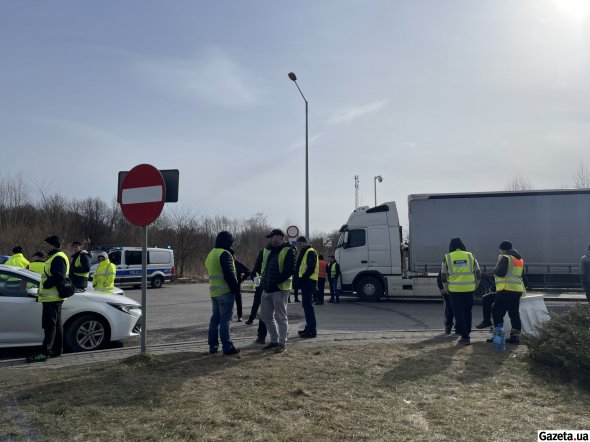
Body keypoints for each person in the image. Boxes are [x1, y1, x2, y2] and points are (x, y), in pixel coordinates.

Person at [25, 235, 69, 363]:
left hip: (52, 298)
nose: (43, 247)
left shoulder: (57, 257)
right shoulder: (56, 256)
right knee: (57, 324)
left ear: (52, 245)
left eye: (45, 244)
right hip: (54, 297)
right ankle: (57, 349)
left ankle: (44, 353)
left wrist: (46, 284)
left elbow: (59, 276)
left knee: (49, 326)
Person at [259, 228, 296, 353]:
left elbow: (290, 270)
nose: (270, 239)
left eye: (272, 236)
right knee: (265, 316)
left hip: (280, 289)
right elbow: (266, 269)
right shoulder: (271, 251)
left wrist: (276, 281)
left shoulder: (288, 250)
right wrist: (263, 283)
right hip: (267, 289)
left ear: (280, 237)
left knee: (281, 317)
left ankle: (282, 343)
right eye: (270, 237)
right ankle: (274, 340)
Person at [205, 231, 240, 355]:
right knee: (225, 320)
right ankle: (228, 347)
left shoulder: (211, 254)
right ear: (227, 241)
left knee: (215, 320)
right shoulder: (225, 254)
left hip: (214, 293)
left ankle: (213, 347)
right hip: (226, 292)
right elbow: (229, 274)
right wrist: (236, 290)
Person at [440, 237, 481, 345]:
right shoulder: (470, 256)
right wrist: (475, 286)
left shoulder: (447, 257)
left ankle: (465, 336)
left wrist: (446, 288)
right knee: (468, 312)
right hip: (469, 289)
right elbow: (478, 273)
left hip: (455, 291)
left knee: (458, 313)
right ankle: (467, 332)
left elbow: (444, 276)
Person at [491, 240, 525, 344]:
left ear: (503, 249)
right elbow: (522, 275)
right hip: (517, 290)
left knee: (496, 312)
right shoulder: (519, 259)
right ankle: (515, 337)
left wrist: (494, 269)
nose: (500, 251)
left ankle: (498, 337)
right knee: (514, 313)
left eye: (500, 249)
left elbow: (501, 273)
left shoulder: (505, 258)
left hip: (506, 289)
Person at [294, 236, 319, 339]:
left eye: (300, 243)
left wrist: (302, 278)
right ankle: (308, 327)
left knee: (308, 306)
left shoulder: (310, 251)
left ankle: (312, 330)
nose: (298, 246)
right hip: (306, 282)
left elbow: (311, 268)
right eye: (297, 244)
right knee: (306, 305)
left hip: (309, 281)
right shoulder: (305, 251)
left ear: (305, 243)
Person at [246, 243, 270, 345]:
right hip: (269, 284)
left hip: (262, 283)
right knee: (261, 306)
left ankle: (261, 337)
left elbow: (254, 271)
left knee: (260, 306)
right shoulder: (280, 251)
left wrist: (258, 282)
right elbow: (255, 271)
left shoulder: (263, 252)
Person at [231, 251, 250, 322]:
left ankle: (240, 316)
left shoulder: (238, 264)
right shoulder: (227, 263)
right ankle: (230, 316)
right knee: (230, 303)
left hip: (237, 287)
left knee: (238, 302)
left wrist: (242, 279)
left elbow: (248, 272)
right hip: (229, 287)